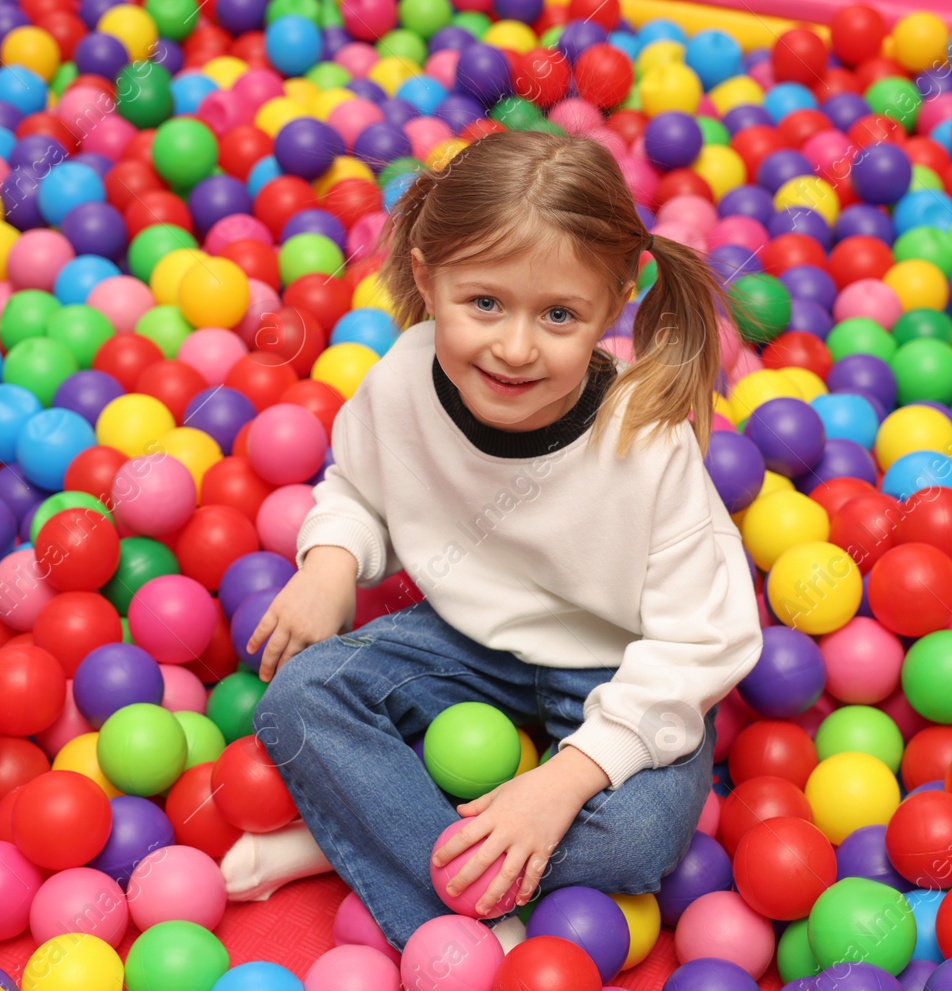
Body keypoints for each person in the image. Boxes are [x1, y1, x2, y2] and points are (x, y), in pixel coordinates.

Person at [218, 130, 764, 949]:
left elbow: (704, 639)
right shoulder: (402, 378)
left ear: (615, 303)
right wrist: (333, 558)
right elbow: (360, 485)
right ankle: (440, 883)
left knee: (641, 838)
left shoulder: (645, 440)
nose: (515, 347)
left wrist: (563, 782)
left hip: (618, 671)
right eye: (485, 304)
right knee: (300, 698)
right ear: (430, 279)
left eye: (557, 315)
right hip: (463, 644)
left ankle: (361, 842)